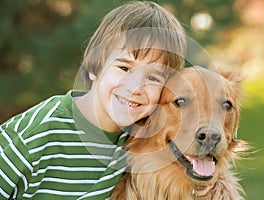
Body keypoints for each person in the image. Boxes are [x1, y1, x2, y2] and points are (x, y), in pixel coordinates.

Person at [0, 1, 186, 199]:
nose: (135, 88)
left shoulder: (142, 141)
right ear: (95, 67)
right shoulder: (32, 136)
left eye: (153, 78)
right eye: (124, 68)